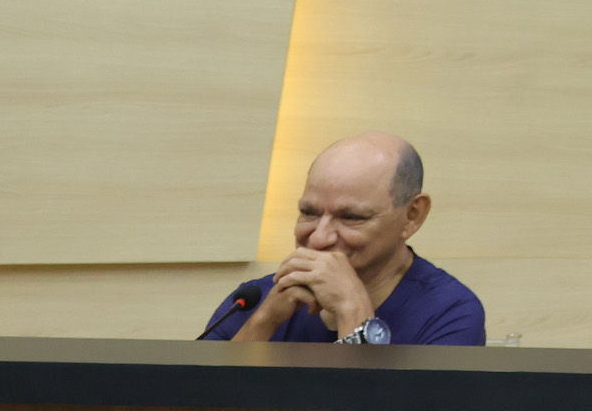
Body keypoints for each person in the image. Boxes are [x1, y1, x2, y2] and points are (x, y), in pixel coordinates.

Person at [199, 133, 486, 344]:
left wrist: (353, 314)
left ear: (412, 216)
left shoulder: (449, 312)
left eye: (351, 218)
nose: (320, 238)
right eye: (308, 213)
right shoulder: (252, 299)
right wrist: (264, 321)